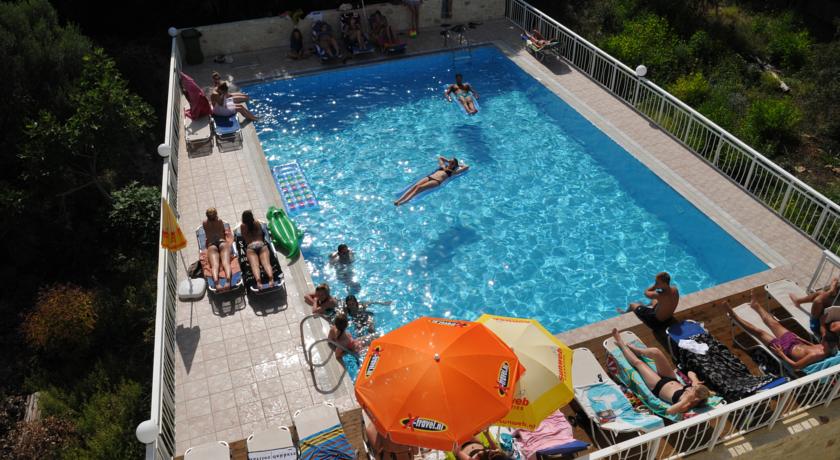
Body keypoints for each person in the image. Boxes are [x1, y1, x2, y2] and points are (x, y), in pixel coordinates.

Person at [724, 291, 839, 371]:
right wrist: (801, 339)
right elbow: (812, 346)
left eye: (823, 339)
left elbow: (795, 366)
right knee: (774, 323)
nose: (821, 339)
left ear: (826, 342)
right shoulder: (826, 348)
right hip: (795, 342)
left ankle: (734, 316)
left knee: (759, 332)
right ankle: (756, 305)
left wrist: (781, 354)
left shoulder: (815, 355)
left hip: (784, 349)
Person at [611, 328, 711, 415]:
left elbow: (669, 411)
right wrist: (694, 380)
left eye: (693, 389)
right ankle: (639, 351)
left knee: (638, 363)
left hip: (658, 385)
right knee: (656, 352)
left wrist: (686, 399)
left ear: (696, 399)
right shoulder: (695, 390)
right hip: (671, 378)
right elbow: (690, 372)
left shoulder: (686, 404)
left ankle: (620, 343)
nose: (691, 388)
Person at [394, 156, 469, 206]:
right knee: (415, 186)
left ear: (454, 165)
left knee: (419, 188)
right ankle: (399, 200)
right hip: (429, 177)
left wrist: (458, 165)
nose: (450, 163)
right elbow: (440, 157)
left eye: (452, 163)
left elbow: (466, 167)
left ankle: (404, 202)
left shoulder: (453, 172)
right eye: (450, 162)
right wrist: (448, 160)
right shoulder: (443, 166)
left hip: (436, 181)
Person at [240, 210, 274, 289]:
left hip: (250, 247)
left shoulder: (242, 226)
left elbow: (243, 237)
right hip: (261, 245)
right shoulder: (257, 223)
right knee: (266, 264)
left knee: (254, 265)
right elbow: (262, 233)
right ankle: (271, 280)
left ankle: (259, 283)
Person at [203, 207, 232, 290]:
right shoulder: (219, 221)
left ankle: (217, 284)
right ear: (216, 214)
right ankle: (228, 281)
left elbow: (206, 234)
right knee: (226, 263)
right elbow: (223, 231)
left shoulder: (204, 223)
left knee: (215, 265)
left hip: (211, 244)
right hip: (222, 242)